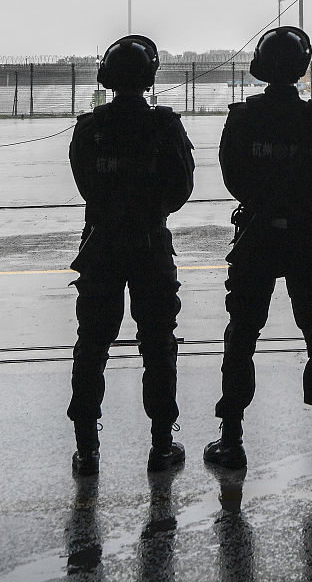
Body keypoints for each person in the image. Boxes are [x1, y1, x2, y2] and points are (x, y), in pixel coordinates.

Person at [204, 26, 312, 471]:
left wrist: (265, 202)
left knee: (243, 332)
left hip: (256, 233)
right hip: (305, 234)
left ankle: (231, 438)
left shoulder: (243, 118)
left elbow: (233, 175)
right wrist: (301, 202)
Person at [67, 35, 195, 475]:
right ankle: (161, 444)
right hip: (148, 244)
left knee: (93, 342)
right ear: (148, 77)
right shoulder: (164, 126)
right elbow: (180, 192)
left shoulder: (90, 128)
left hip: (102, 244)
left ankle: (86, 448)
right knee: (158, 342)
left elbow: (86, 184)